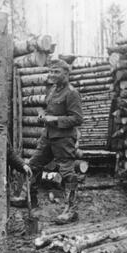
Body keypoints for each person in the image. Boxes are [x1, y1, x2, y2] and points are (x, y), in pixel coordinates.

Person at [25, 59, 83, 225]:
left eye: (56, 72)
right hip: (48, 136)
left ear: (66, 73)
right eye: (50, 72)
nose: (52, 75)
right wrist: (43, 114)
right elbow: (49, 110)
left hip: (64, 139)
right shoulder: (52, 91)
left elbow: (78, 118)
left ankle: (71, 210)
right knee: (33, 164)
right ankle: (30, 201)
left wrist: (55, 119)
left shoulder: (72, 92)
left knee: (67, 173)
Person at [0, 96, 33, 236]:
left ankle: (0, 241)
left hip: (2, 179)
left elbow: (9, 153)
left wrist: (22, 165)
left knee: (2, 212)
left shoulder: (2, 127)